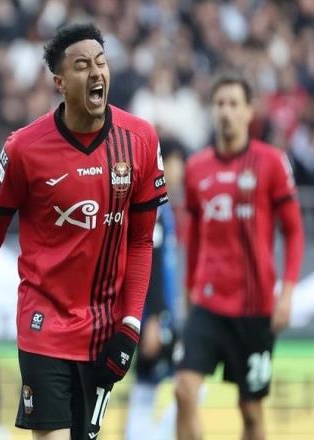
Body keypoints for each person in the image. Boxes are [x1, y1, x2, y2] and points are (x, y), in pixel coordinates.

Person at [0, 23, 168, 440]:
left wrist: (130, 325)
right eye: (82, 66)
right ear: (60, 82)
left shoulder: (140, 141)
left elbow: (141, 241)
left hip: (103, 330)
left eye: (101, 62)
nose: (96, 72)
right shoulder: (24, 148)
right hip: (42, 323)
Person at [174, 73, 304, 440]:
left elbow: (294, 231)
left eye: (234, 104)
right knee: (184, 391)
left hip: (255, 307)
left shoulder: (271, 162)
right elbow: (194, 235)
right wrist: (188, 289)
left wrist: (287, 293)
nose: (226, 111)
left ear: (249, 112)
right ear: (212, 110)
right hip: (208, 303)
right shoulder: (197, 168)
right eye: (219, 103)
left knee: (250, 412)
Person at [125, 141, 185, 440]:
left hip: (160, 313)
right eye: (175, 163)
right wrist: (152, 318)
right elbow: (150, 263)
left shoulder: (165, 207)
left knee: (155, 387)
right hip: (153, 316)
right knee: (185, 383)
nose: (179, 170)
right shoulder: (156, 206)